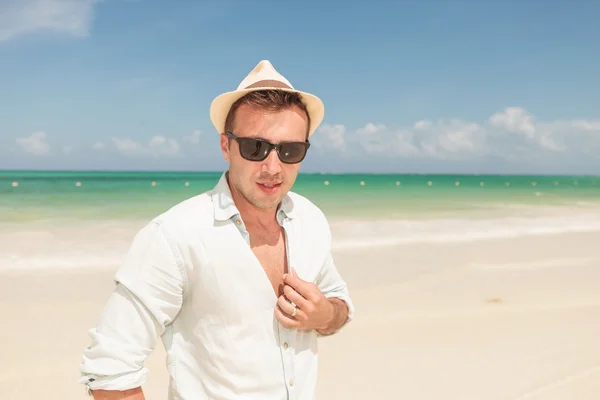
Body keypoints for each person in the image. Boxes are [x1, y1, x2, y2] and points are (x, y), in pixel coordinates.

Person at [78, 60, 354, 400]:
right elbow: (109, 371)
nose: (273, 166)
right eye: (255, 147)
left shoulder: (311, 220)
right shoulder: (175, 236)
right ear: (226, 146)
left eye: (290, 150)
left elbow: (339, 302)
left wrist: (325, 314)